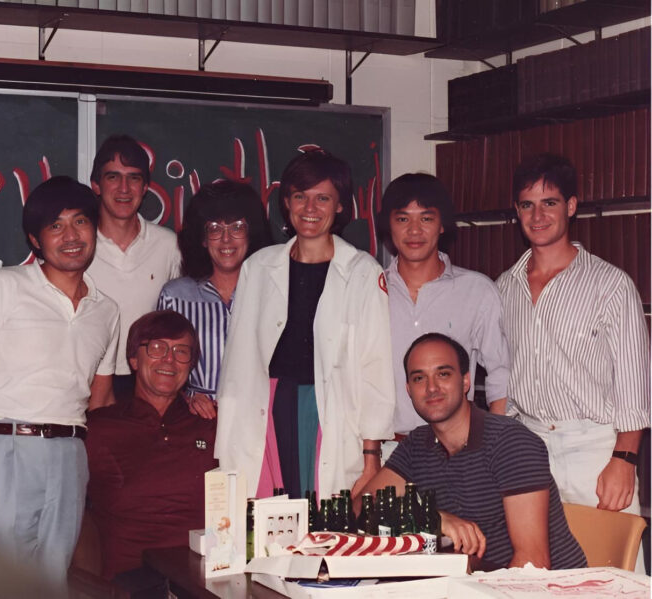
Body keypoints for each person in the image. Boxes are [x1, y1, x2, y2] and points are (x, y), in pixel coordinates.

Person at [0, 176, 120, 587]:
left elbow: (100, 401)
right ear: (35, 239)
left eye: (80, 222)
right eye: (55, 226)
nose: (71, 236)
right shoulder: (3, 287)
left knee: (52, 579)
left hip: (70, 457)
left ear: (95, 229)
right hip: (6, 447)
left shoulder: (108, 311)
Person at [215, 149, 395, 501]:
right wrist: (226, 442)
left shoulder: (362, 271)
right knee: (269, 519)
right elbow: (236, 364)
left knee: (321, 517)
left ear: (340, 206)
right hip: (265, 410)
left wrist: (371, 457)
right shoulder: (258, 267)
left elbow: (375, 370)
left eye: (322, 198)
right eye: (300, 197)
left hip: (329, 413)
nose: (310, 209)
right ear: (287, 203)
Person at [497, 153, 649, 515]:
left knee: (609, 569)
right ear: (516, 211)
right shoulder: (504, 288)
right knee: (533, 569)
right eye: (527, 205)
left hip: (594, 453)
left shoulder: (610, 285)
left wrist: (624, 460)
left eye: (549, 203)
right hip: (527, 450)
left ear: (571, 206)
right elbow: (504, 377)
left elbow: (634, 383)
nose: (538, 216)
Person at [363, 333, 586, 570]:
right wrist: (430, 517)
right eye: (419, 378)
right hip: (476, 584)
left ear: (466, 381)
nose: (431, 388)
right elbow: (362, 506)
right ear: (409, 389)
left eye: (443, 374)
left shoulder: (511, 442)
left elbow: (532, 564)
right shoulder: (416, 445)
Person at [378, 173, 510, 459]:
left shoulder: (477, 290)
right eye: (403, 219)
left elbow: (501, 372)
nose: (414, 231)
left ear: (442, 226)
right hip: (385, 453)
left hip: (457, 452)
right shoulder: (372, 291)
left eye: (426, 218)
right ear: (388, 225)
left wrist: (491, 446)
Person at [85, 310, 218, 578]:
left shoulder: (210, 424)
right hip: (129, 580)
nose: (169, 359)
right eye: (157, 347)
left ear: (191, 365)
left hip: (202, 581)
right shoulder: (99, 428)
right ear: (134, 359)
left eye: (182, 351)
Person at [157, 179, 271, 419]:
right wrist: (186, 397)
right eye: (215, 228)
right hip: (196, 422)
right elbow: (159, 370)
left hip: (259, 422)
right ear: (202, 238)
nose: (226, 239)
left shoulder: (272, 293)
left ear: (251, 234)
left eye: (237, 227)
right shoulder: (175, 297)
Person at [87, 134, 181, 396]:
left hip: (149, 383)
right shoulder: (76, 247)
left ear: (145, 187)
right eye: (113, 177)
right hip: (87, 381)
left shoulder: (168, 245)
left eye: (134, 178)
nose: (124, 188)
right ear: (96, 185)